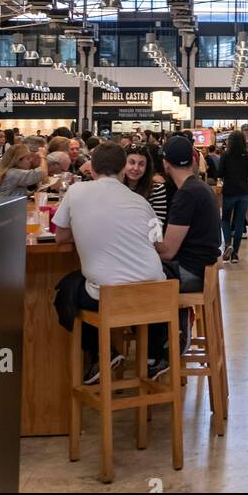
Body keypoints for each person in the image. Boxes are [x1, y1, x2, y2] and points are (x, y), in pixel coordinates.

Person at [54, 142, 169, 382]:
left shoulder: (76, 191)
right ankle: (154, 354)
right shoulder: (143, 202)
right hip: (155, 293)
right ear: (121, 171)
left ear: (92, 169)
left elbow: (61, 237)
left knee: (67, 289)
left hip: (108, 295)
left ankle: (101, 352)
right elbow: (158, 243)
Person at [156, 137, 222, 339]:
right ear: (193, 161)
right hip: (203, 267)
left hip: (190, 273)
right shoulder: (200, 187)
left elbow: (168, 251)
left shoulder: (186, 194)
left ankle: (163, 345)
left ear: (165, 164)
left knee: (135, 282)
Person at [218, 129, 248, 263]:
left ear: (230, 141)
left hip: (229, 191)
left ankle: (228, 244)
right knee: (239, 222)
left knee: (225, 219)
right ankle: (235, 254)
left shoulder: (225, 155)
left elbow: (220, 173)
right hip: (244, 192)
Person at [123, 146, 168, 225]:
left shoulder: (157, 190)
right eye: (132, 162)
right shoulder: (116, 187)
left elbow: (157, 225)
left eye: (141, 164)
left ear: (147, 167)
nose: (136, 168)